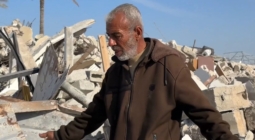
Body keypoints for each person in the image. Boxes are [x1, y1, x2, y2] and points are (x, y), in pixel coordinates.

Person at [39, 3, 238, 140]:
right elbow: (93, 115)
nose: (110, 43)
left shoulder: (168, 65)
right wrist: (60, 136)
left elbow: (205, 114)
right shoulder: (115, 73)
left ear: (137, 32)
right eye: (109, 36)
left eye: (116, 36)